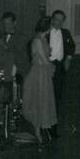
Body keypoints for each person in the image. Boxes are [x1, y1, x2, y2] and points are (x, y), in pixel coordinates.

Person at [21, 16, 58, 144]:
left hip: (43, 73)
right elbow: (43, 59)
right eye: (51, 26)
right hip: (39, 74)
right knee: (38, 101)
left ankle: (40, 131)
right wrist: (52, 69)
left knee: (43, 101)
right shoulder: (37, 40)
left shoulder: (42, 39)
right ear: (47, 27)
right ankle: (37, 132)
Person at [47, 10, 75, 118]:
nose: (58, 22)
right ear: (52, 20)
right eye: (56, 20)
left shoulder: (66, 33)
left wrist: (68, 58)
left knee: (58, 89)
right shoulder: (46, 32)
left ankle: (55, 114)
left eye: (61, 20)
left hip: (60, 64)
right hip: (48, 64)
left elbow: (71, 46)